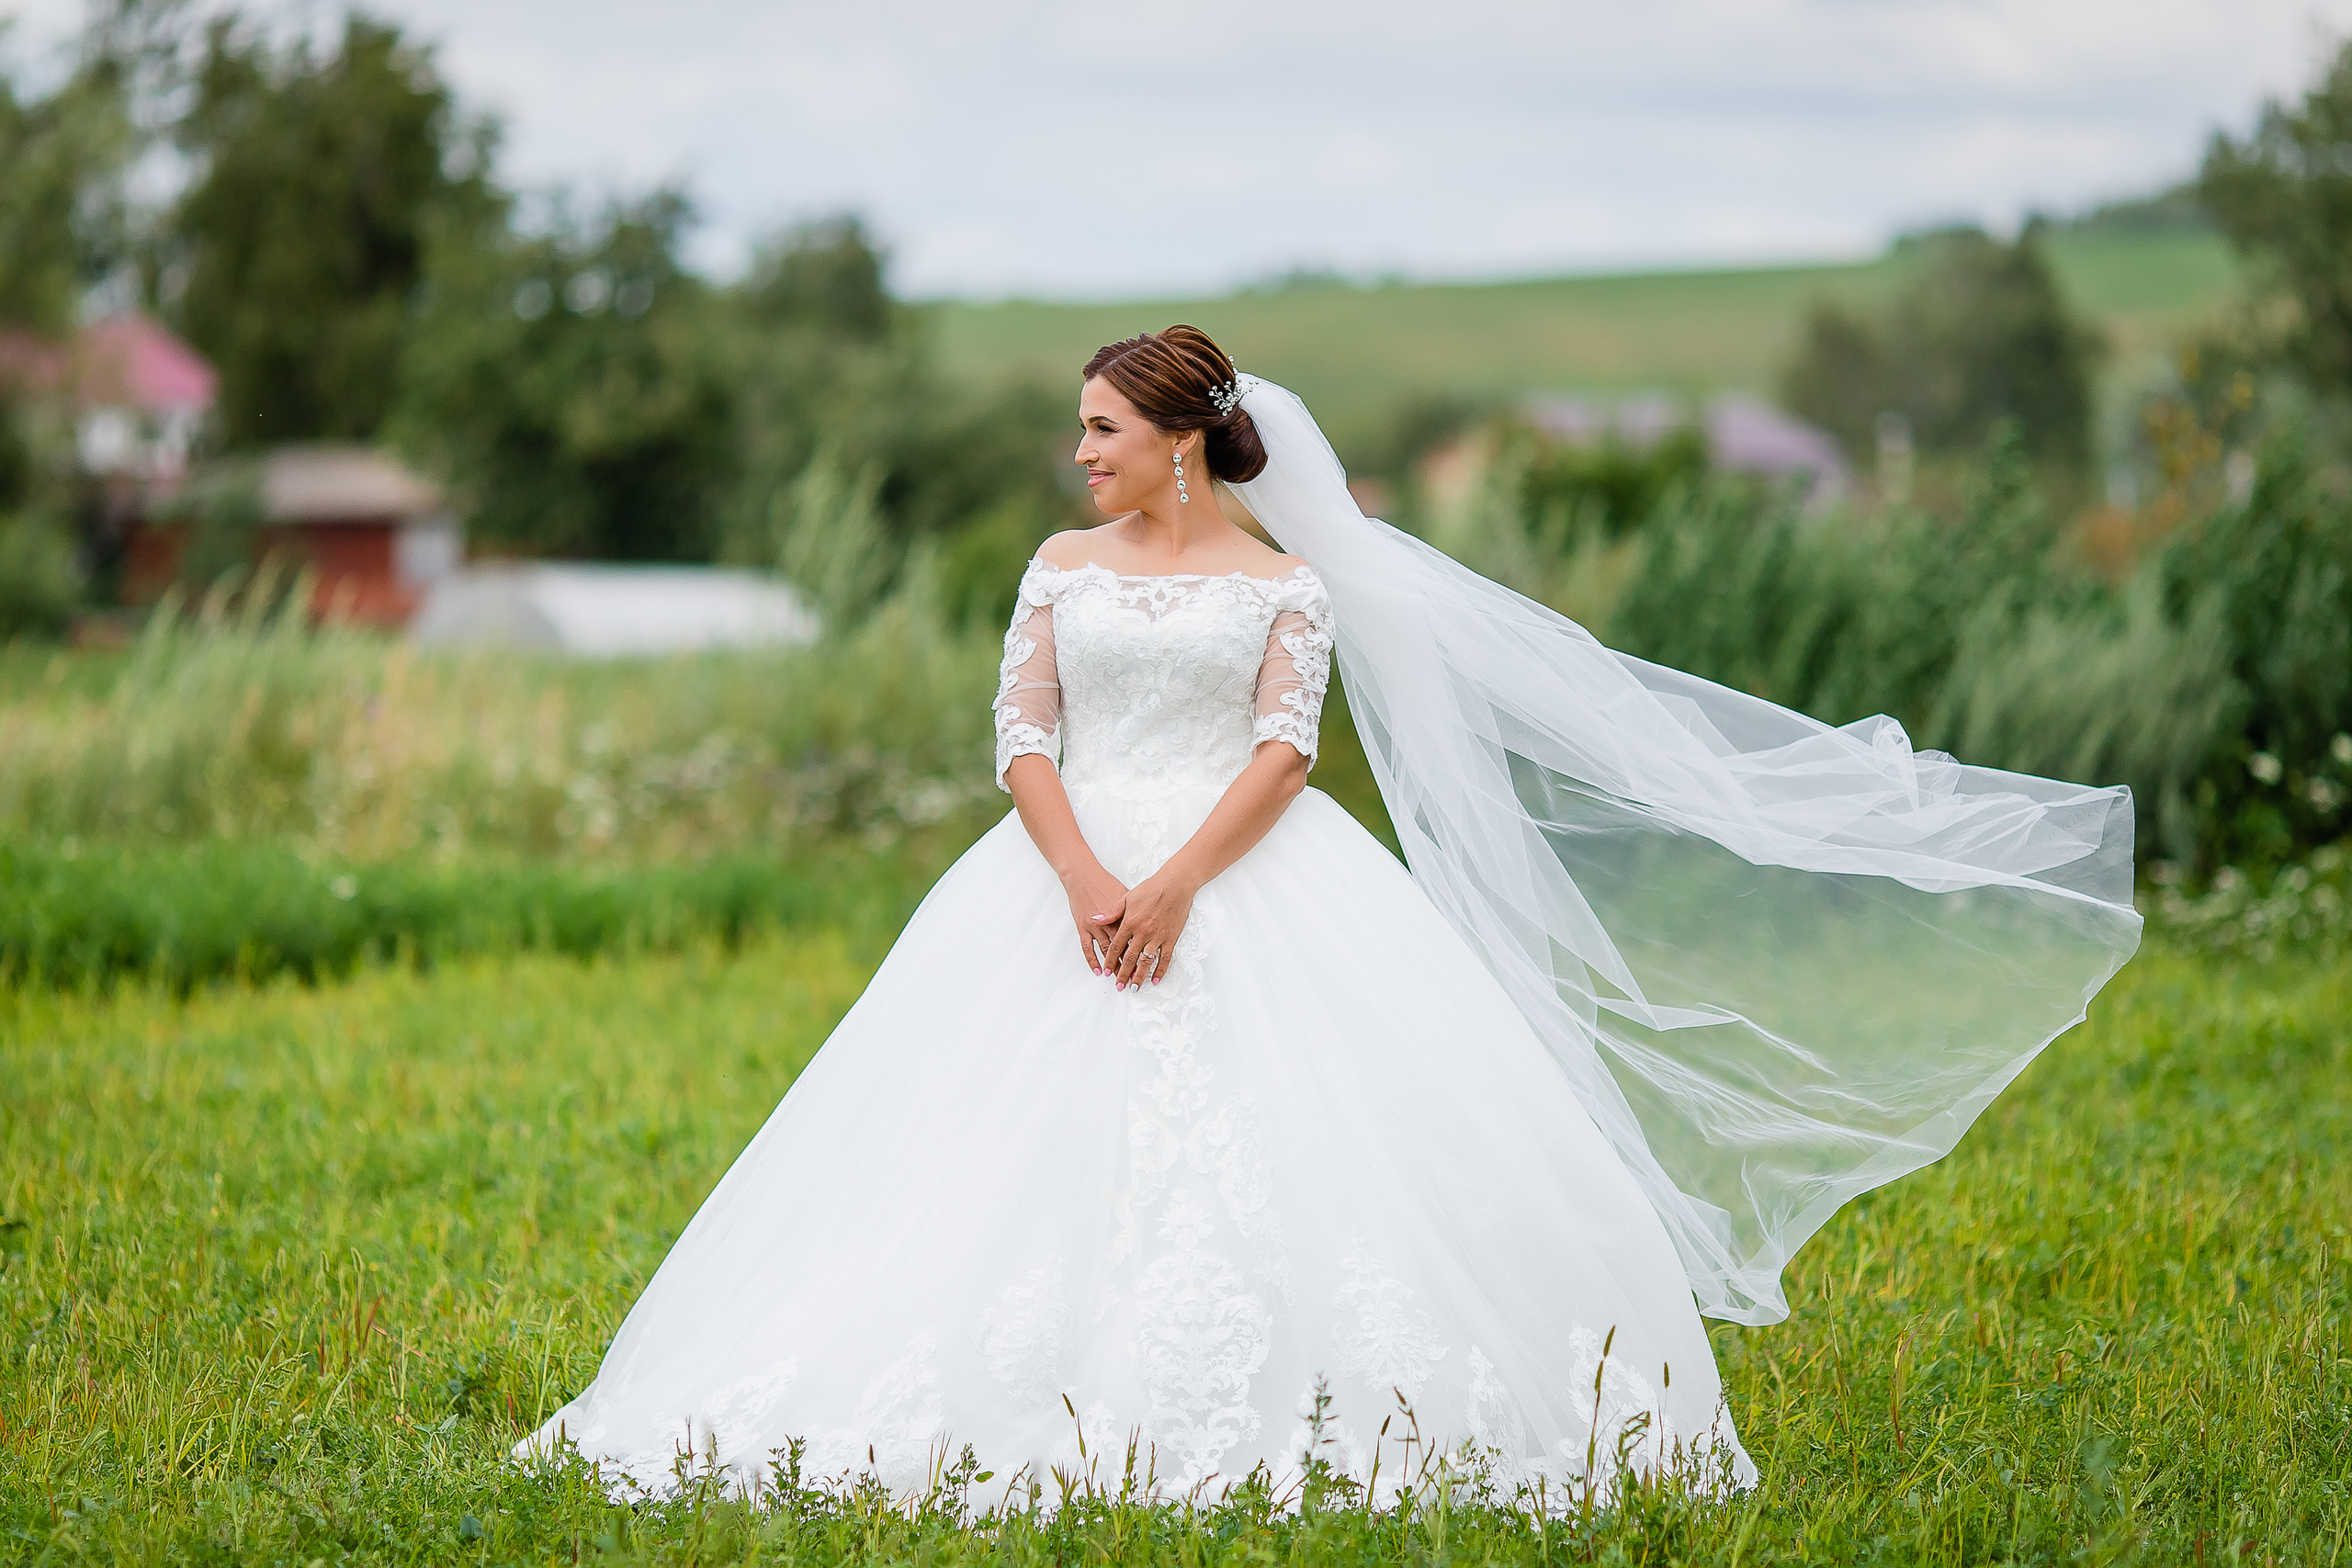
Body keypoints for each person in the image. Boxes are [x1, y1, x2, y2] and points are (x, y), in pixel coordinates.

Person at [519, 326, 2140, 1506]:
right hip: (1056, 873)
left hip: (1238, 871)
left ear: (1177, 438)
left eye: (1100, 427)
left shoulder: (1287, 586)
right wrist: (1088, 877)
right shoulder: (1058, 564)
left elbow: (1288, 754)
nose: (1079, 452)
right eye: (1076, 429)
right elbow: (1021, 736)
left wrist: (1172, 885)